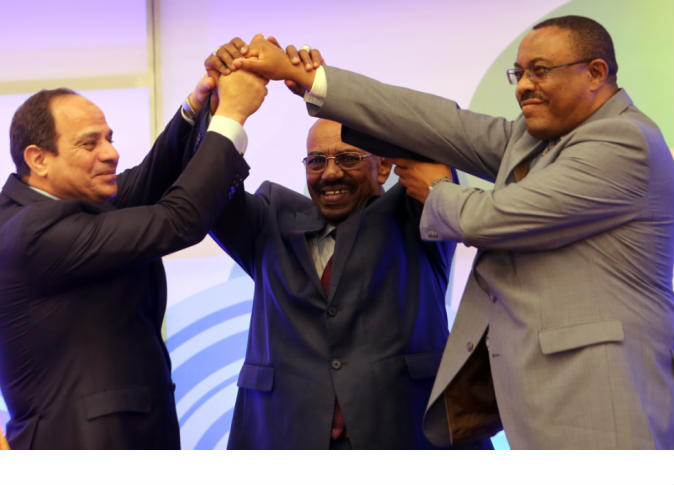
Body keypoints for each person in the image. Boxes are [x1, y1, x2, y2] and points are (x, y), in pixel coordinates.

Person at [228, 15, 674, 449]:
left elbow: (498, 217)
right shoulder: (535, 140)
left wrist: (436, 190)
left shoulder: (624, 140)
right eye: (518, 73)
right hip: (539, 400)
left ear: (595, 73)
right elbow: (440, 122)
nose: (523, 86)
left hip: (604, 396)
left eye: (539, 71)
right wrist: (308, 79)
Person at [205, 41, 491, 449]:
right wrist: (221, 108)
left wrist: (321, 88)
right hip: (286, 433)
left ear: (384, 166)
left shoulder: (418, 214)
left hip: (405, 433)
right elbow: (205, 188)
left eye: (349, 158)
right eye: (316, 161)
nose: (330, 173)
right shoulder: (269, 221)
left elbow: (430, 136)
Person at [0, 66, 268, 449]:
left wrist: (197, 106)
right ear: (38, 159)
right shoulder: (31, 232)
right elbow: (178, 221)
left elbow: (147, 180)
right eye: (89, 144)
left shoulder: (56, 203)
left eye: (109, 138)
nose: (111, 153)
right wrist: (231, 117)